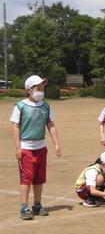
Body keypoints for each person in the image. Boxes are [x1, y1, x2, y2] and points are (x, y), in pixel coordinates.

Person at [10, 75, 62, 220]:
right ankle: (24, 207)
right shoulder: (20, 106)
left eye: (42, 87)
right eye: (38, 87)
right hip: (26, 147)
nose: (41, 90)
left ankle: (37, 205)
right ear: (29, 90)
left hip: (41, 147)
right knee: (26, 178)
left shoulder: (46, 106)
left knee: (39, 178)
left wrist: (56, 143)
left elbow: (50, 124)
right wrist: (17, 147)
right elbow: (15, 126)